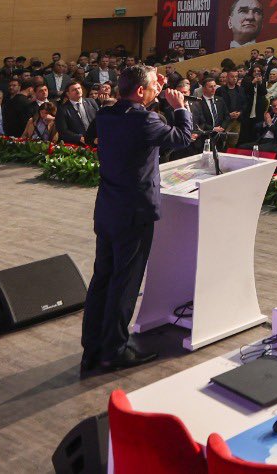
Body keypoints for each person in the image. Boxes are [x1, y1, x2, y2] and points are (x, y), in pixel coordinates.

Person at [80, 65, 193, 373]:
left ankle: (92, 347)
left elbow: (105, 136)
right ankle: (114, 351)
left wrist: (156, 94)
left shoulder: (105, 115)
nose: (159, 88)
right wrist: (180, 107)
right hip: (134, 213)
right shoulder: (146, 120)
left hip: (107, 209)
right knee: (124, 283)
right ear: (141, 91)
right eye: (154, 85)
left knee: (102, 278)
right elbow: (182, 137)